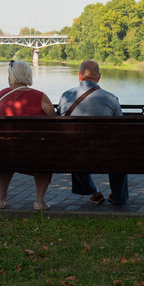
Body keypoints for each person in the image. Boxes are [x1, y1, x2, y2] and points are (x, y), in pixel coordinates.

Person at [57, 60, 129, 206]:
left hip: (74, 155)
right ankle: (119, 197)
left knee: (73, 146)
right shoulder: (111, 98)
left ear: (79, 76)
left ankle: (94, 192)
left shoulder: (65, 97)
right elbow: (121, 129)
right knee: (119, 151)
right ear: (99, 77)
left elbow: (59, 127)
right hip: (106, 154)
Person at [0, 59, 56, 211]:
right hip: (33, 153)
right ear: (28, 75)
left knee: (4, 152)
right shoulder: (41, 97)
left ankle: (1, 199)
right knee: (44, 154)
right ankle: (39, 201)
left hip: (4, 152)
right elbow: (53, 121)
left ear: (11, 77)